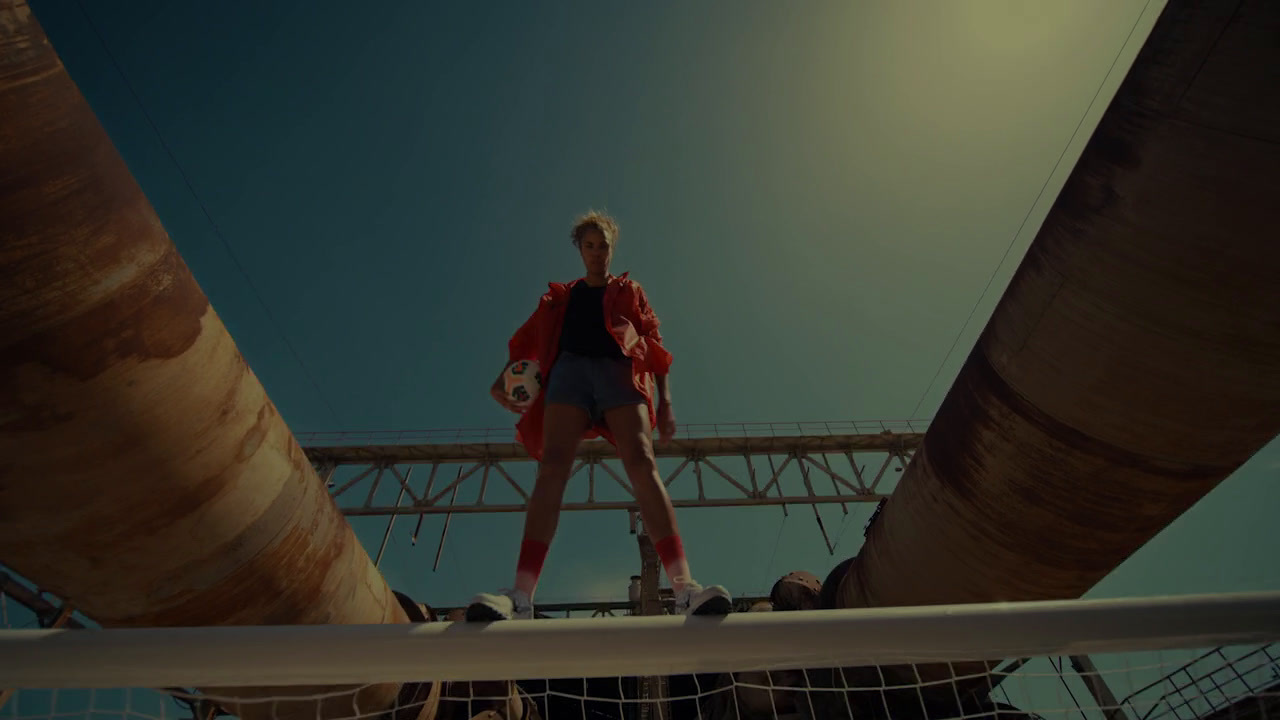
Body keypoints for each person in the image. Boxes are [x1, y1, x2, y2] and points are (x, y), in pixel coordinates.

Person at [466, 210, 732, 621]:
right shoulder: (560, 297)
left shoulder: (630, 290)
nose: (596, 252)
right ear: (580, 249)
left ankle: (684, 588)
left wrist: (666, 401)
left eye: (603, 244)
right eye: (589, 245)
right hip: (569, 376)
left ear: (612, 247)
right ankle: (520, 595)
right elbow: (530, 341)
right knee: (552, 467)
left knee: (642, 462)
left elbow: (654, 341)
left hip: (618, 374)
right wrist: (511, 381)